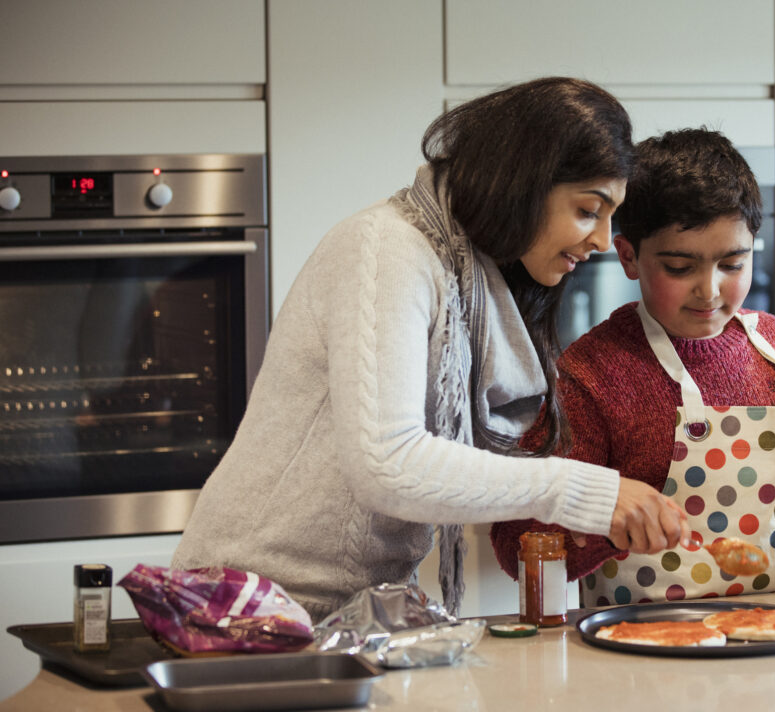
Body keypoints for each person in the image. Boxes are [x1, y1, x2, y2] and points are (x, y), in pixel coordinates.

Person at [172, 77, 690, 621]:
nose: (603, 241)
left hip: (353, 611)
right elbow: (388, 463)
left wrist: (590, 516)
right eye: (589, 210)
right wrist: (587, 491)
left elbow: (476, 475)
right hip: (243, 601)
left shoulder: (484, 282)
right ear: (523, 183)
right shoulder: (386, 249)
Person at [491, 128, 775, 605]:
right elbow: (516, 543)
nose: (709, 291)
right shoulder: (590, 376)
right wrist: (606, 518)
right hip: (640, 657)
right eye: (679, 267)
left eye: (733, 264)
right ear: (629, 256)